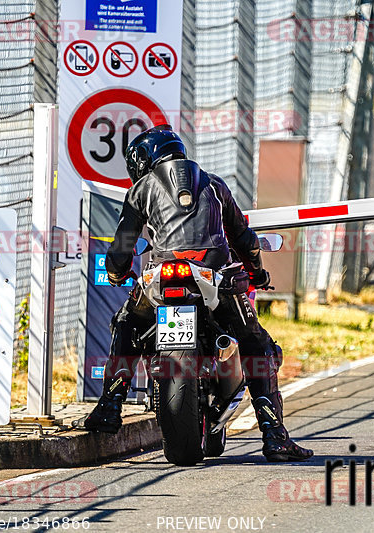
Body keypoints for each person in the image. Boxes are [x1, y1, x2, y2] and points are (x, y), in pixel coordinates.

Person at [83, 125, 312, 462]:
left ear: (143, 161)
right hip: (213, 276)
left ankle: (110, 405)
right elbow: (244, 239)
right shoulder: (214, 183)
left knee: (127, 324)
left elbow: (121, 248)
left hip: (161, 276)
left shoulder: (141, 189)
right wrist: (258, 272)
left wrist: (117, 272)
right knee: (256, 344)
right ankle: (275, 435)